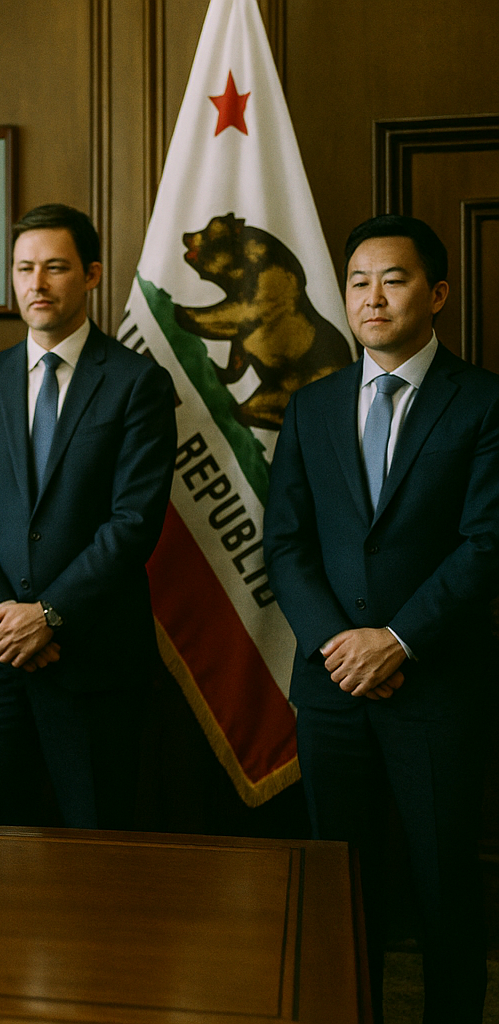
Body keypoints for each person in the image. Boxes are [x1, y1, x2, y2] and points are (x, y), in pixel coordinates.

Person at [263, 215, 497, 1023]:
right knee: (341, 885)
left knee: (443, 884)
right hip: (331, 688)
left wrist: (397, 642)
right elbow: (285, 542)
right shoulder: (312, 406)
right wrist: (339, 646)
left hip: (437, 685)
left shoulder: (485, 403)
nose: (372, 297)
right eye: (358, 281)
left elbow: (486, 544)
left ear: (435, 293)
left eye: (392, 279)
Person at [0, 203, 176, 830]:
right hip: (0, 662)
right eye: (23, 269)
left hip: (95, 660)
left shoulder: (136, 383)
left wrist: (49, 614)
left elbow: (133, 522)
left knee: (99, 842)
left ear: (92, 274)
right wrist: (6, 622)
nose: (36, 284)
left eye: (55, 268)